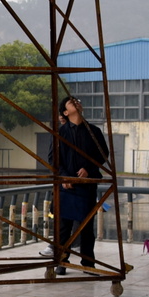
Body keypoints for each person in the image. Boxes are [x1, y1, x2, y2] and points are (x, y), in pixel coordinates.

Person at [51, 95, 110, 270]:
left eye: (78, 101)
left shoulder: (93, 131)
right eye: (72, 102)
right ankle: (61, 261)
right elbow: (53, 158)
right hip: (66, 185)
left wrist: (89, 169)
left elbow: (103, 154)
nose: (77, 103)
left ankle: (88, 263)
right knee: (64, 227)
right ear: (65, 112)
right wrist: (64, 176)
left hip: (87, 184)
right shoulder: (60, 132)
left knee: (86, 227)